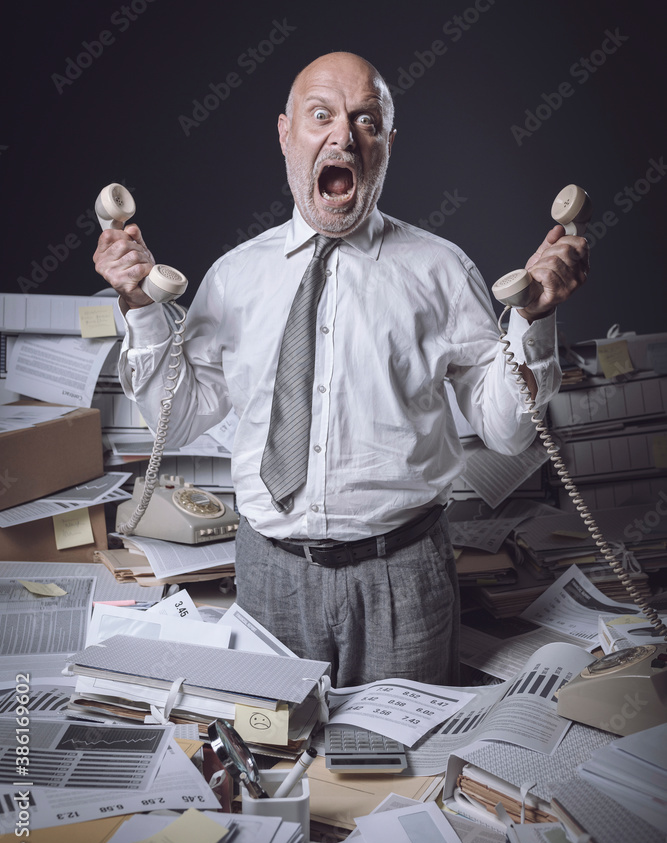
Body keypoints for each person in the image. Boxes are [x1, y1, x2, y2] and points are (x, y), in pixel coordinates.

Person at [93, 51, 589, 687]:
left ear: (385, 145)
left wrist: (533, 322)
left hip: (404, 578)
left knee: (407, 768)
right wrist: (138, 304)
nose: (342, 136)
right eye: (320, 115)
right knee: (277, 763)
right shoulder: (235, 277)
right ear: (285, 134)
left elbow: (507, 431)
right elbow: (178, 418)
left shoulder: (440, 270)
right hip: (269, 572)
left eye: (365, 120)